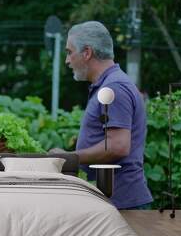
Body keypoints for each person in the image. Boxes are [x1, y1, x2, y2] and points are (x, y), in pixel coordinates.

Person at [63, 21, 153, 209]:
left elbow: (118, 146)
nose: (67, 61)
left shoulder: (113, 88)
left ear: (87, 53)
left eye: (69, 52)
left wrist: (70, 157)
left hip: (121, 203)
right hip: (118, 201)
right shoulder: (109, 85)